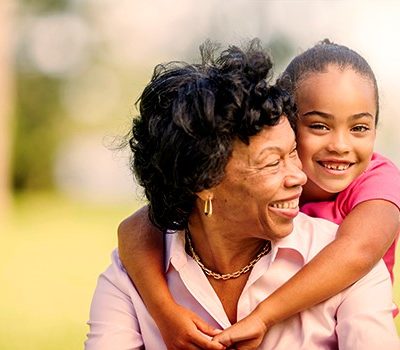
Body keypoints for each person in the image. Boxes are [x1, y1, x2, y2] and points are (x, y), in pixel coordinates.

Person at [85, 41, 400, 350]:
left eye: (360, 128)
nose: (340, 146)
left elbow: (358, 251)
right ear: (201, 182)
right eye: (274, 161)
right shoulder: (134, 274)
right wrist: (163, 310)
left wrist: (264, 315)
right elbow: (137, 226)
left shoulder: (373, 197)